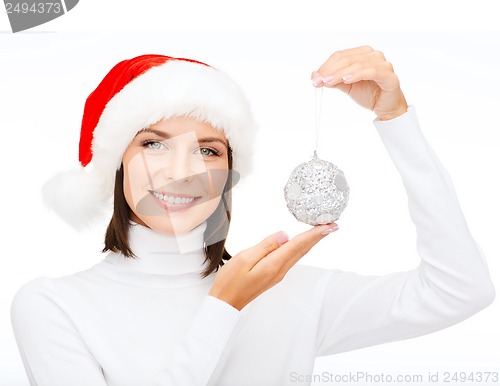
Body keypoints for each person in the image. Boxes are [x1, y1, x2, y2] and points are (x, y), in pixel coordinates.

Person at [11, 46, 495, 386]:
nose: (182, 173)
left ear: (228, 173)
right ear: (114, 163)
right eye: (153, 143)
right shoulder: (53, 306)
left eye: (207, 149)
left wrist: (397, 121)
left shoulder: (292, 293)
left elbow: (461, 290)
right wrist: (224, 307)